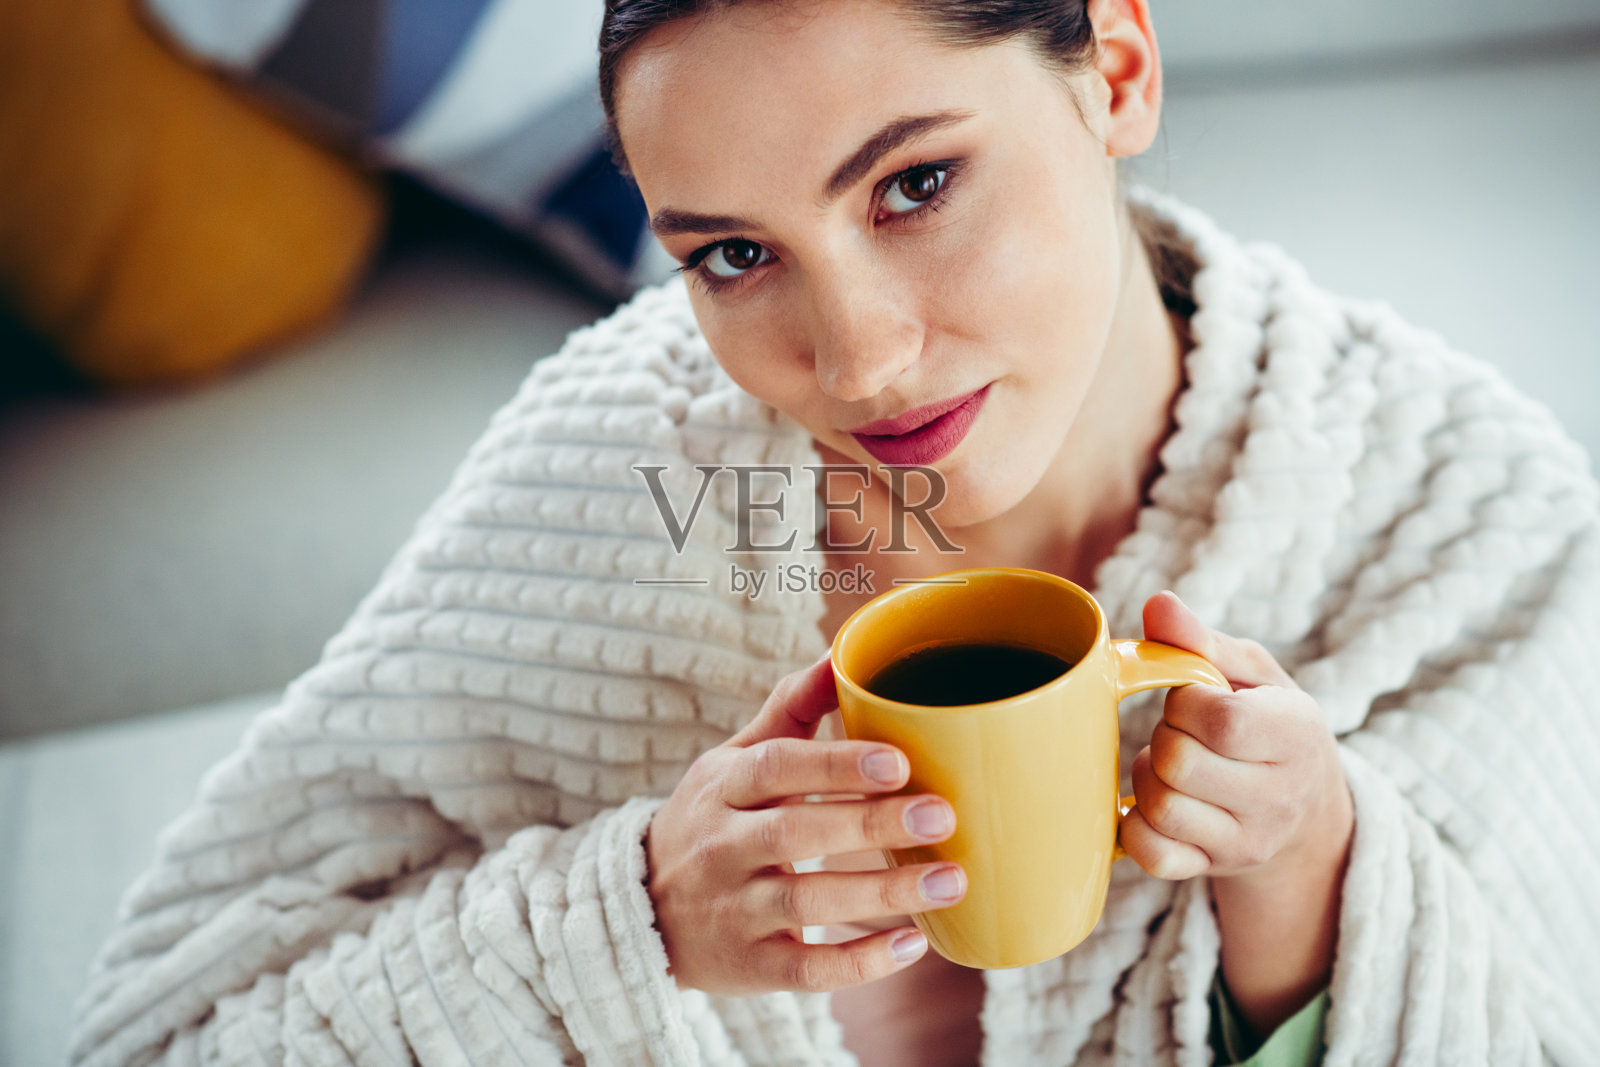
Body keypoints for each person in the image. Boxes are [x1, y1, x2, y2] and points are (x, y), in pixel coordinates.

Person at [69, 1, 1600, 1065]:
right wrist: (634, 921)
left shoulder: (1458, 517)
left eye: (917, 183)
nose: (855, 362)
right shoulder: (631, 473)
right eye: (735, 255)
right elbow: (173, 1035)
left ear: (1117, 66)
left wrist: (1317, 879)